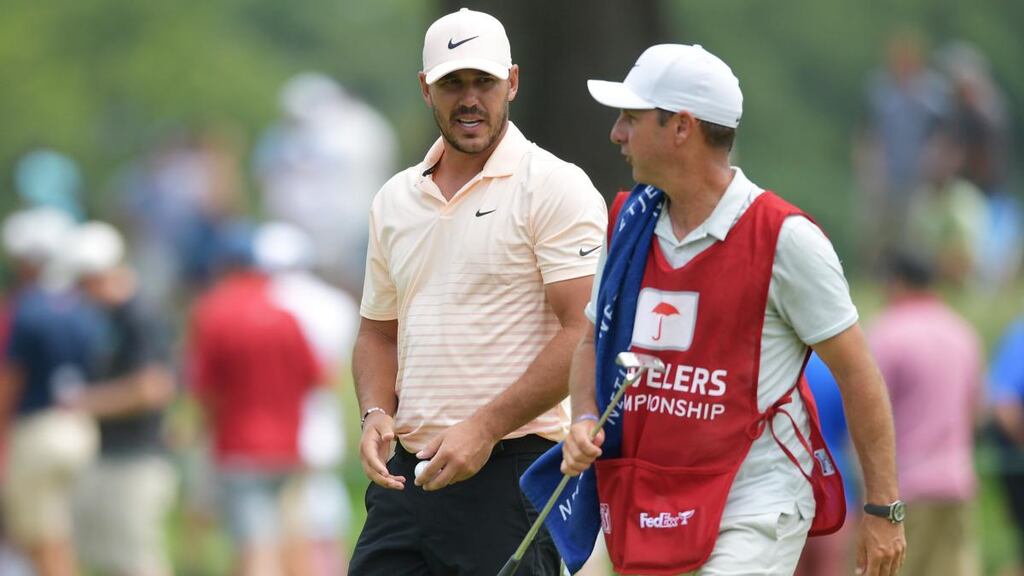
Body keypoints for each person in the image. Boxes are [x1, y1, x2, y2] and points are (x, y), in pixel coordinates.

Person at [530, 44, 905, 576]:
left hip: (755, 499)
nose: (616, 133)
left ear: (681, 127)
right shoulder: (630, 223)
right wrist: (585, 417)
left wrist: (884, 509)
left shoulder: (785, 238)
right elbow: (593, 341)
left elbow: (858, 375)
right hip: (649, 491)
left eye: (631, 118)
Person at [350, 8, 606, 574]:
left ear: (511, 82)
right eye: (452, 83)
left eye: (483, 81)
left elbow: (583, 331)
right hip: (408, 475)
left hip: (514, 472)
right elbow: (377, 332)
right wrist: (373, 410)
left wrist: (485, 427)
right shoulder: (395, 199)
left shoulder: (555, 186)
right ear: (426, 89)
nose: (470, 99)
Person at [188, 223, 323, 576]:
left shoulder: (214, 312)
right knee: (292, 540)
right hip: (288, 445)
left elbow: (205, 389)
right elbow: (316, 377)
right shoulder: (285, 316)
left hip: (239, 446)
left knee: (254, 547)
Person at [57, 222, 178, 576]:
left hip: (136, 458)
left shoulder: (139, 316)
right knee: (106, 559)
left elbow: (152, 387)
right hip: (111, 454)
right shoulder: (110, 317)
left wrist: (83, 403)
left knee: (135, 560)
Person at [866, 253, 981, 576]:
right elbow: (973, 409)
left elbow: (866, 409)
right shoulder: (962, 333)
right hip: (957, 482)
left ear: (898, 283)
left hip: (904, 489)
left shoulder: (888, 333)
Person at [0, 208, 100, 576]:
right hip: (78, 428)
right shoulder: (82, 308)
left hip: (36, 429)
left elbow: (10, 380)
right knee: (60, 537)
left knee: (39, 541)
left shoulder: (27, 311)